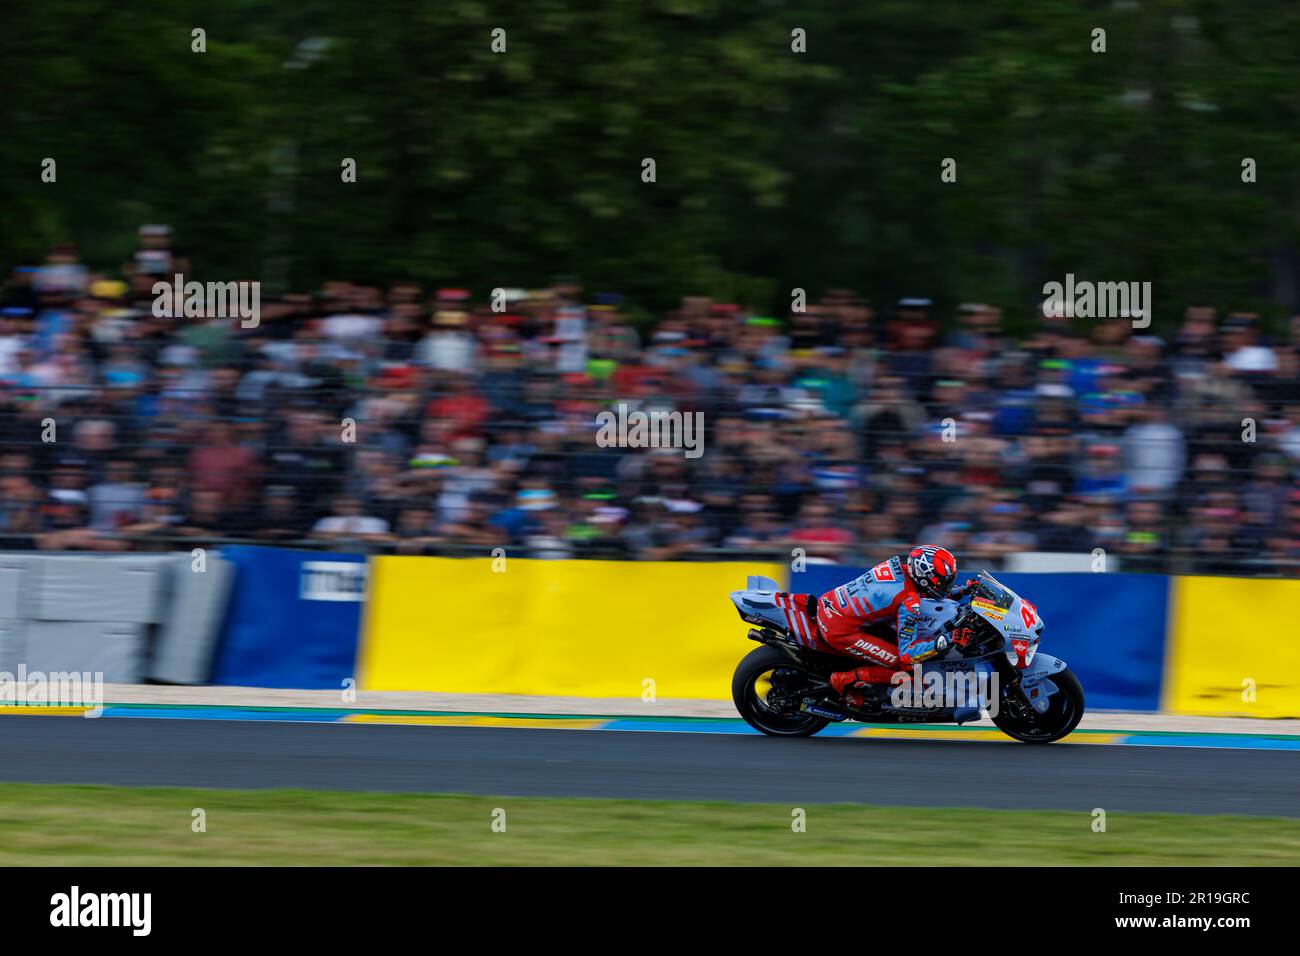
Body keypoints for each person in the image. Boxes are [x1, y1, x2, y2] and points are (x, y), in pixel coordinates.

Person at [812, 545, 971, 708]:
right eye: (942, 581)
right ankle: (844, 680)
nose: (945, 585)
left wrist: (960, 592)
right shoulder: (908, 601)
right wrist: (948, 639)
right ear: (924, 576)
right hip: (840, 630)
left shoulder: (899, 568)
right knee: (906, 668)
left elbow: (921, 593)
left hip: (830, 603)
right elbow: (907, 654)